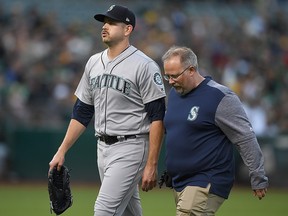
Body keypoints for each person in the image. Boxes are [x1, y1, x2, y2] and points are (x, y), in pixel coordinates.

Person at [49, 5, 166, 216]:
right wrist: (61, 150)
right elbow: (82, 112)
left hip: (132, 146)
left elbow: (157, 116)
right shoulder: (94, 62)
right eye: (104, 22)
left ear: (128, 29)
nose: (105, 26)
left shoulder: (144, 65)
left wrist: (152, 163)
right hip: (101, 148)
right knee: (129, 213)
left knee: (104, 210)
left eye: (112, 23)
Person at [161, 46, 268, 216]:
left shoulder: (220, 97)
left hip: (206, 179)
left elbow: (245, 137)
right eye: (167, 76)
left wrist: (258, 176)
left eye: (174, 76)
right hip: (180, 182)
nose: (171, 81)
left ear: (191, 70)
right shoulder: (174, 95)